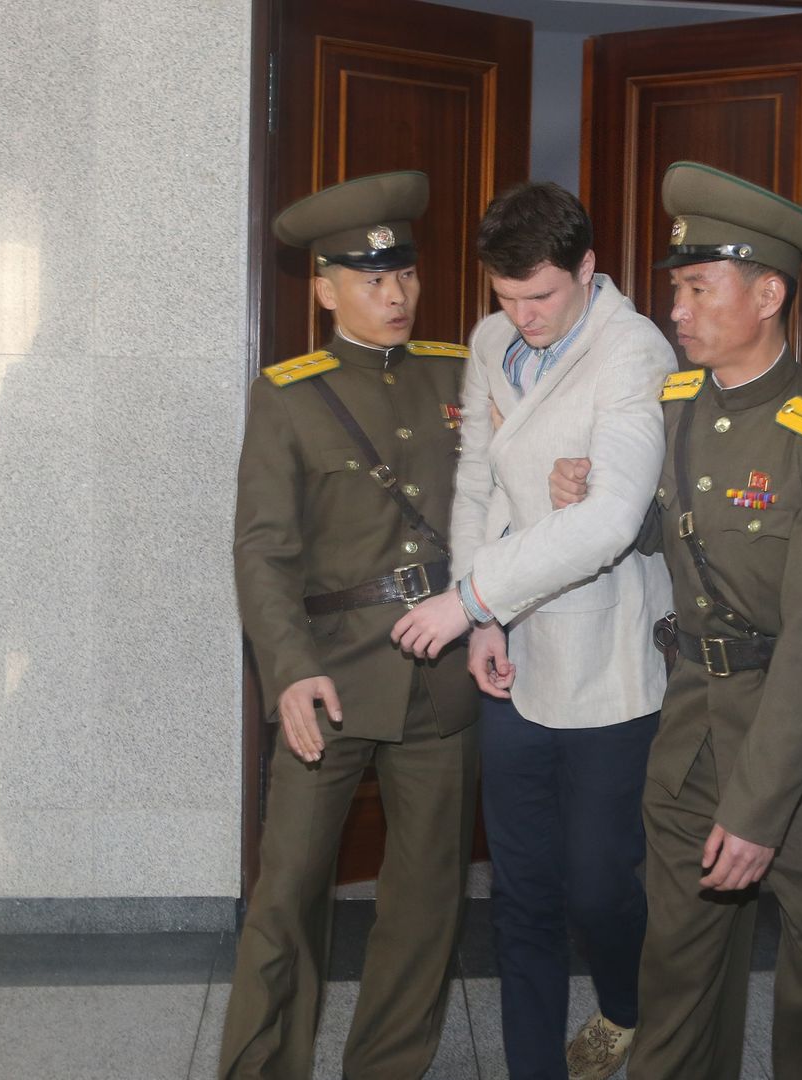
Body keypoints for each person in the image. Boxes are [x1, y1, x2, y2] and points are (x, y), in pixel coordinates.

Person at [549, 162, 802, 1079]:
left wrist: (758, 812)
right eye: (677, 289)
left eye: (699, 289)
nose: (679, 310)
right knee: (680, 970)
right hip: (697, 729)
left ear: (769, 293)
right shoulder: (674, 407)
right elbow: (675, 531)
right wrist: (602, 507)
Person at [389, 181, 675, 1080]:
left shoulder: (633, 351)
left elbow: (609, 522)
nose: (524, 316)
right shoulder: (490, 339)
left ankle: (628, 1007)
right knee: (519, 890)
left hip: (604, 655)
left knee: (598, 884)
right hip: (510, 647)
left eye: (542, 296)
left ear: (589, 269)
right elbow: (476, 477)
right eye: (506, 298)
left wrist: (467, 601)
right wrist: (485, 620)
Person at [220, 170, 480, 1080]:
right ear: (324, 289)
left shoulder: (462, 371)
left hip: (441, 676)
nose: (396, 293)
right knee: (286, 896)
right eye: (371, 280)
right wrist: (287, 669)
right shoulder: (289, 395)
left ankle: (388, 1067)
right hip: (327, 678)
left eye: (404, 274)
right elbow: (262, 552)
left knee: (426, 902)